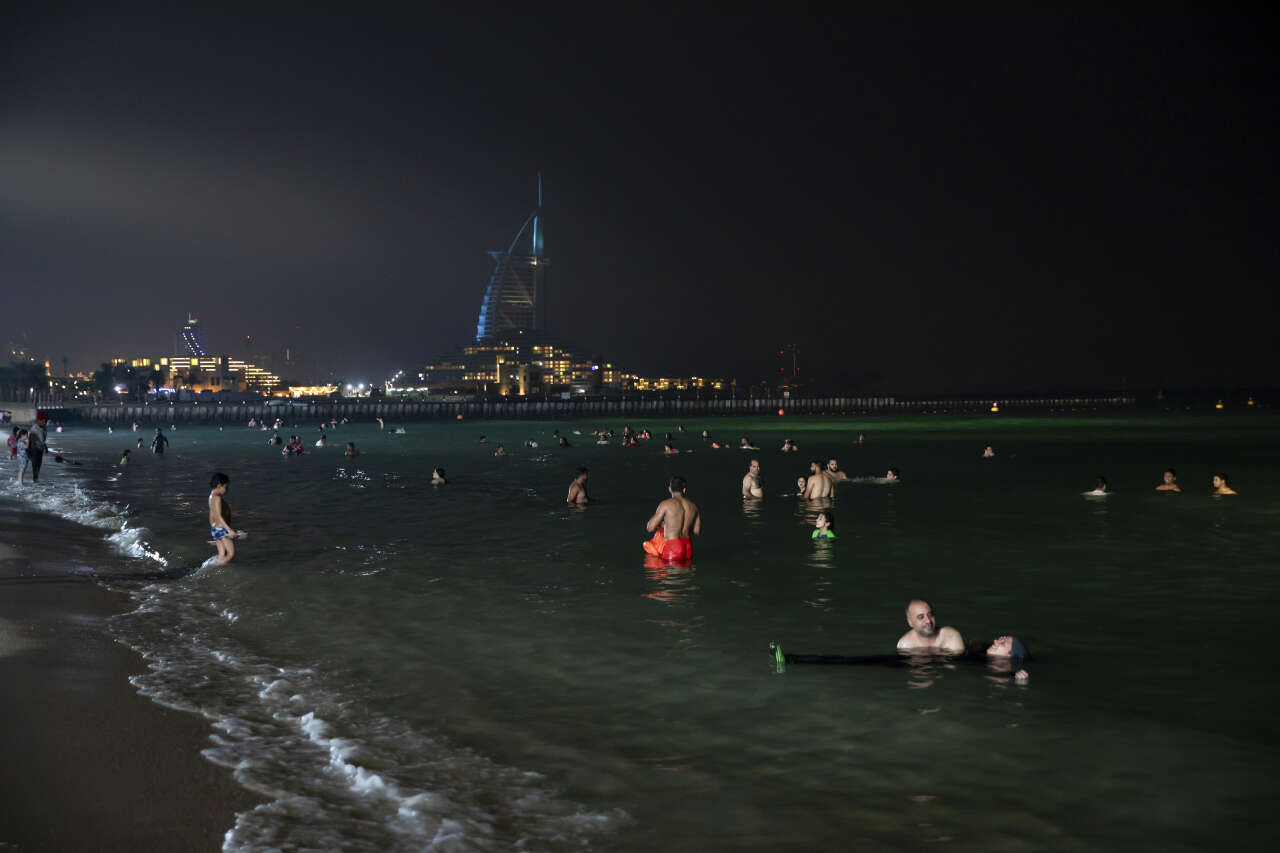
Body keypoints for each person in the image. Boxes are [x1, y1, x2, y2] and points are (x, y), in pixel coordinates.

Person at [643, 475, 701, 565]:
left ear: (670, 489)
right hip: (687, 546)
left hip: (673, 546)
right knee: (685, 577)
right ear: (684, 490)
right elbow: (697, 531)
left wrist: (666, 525)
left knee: (670, 578)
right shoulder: (693, 506)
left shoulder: (666, 504)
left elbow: (650, 528)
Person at [897, 599, 965, 653]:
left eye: (930, 615)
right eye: (921, 617)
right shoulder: (905, 645)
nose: (928, 621)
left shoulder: (951, 637)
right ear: (910, 622)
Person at [208, 472, 239, 565]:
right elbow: (218, 516)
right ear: (219, 486)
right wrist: (229, 530)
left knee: (222, 554)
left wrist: (213, 529)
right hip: (221, 529)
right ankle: (214, 567)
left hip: (216, 528)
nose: (227, 489)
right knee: (230, 554)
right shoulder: (217, 498)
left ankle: (217, 567)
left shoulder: (211, 497)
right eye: (225, 487)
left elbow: (211, 515)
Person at [26, 411, 50, 482]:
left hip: (40, 449)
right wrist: (29, 453)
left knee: (39, 464)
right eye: (43, 421)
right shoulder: (34, 429)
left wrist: (45, 447)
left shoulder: (44, 427)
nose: (44, 423)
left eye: (45, 421)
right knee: (35, 464)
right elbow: (31, 442)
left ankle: (36, 478)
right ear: (38, 421)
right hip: (34, 449)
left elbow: (43, 441)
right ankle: (35, 479)